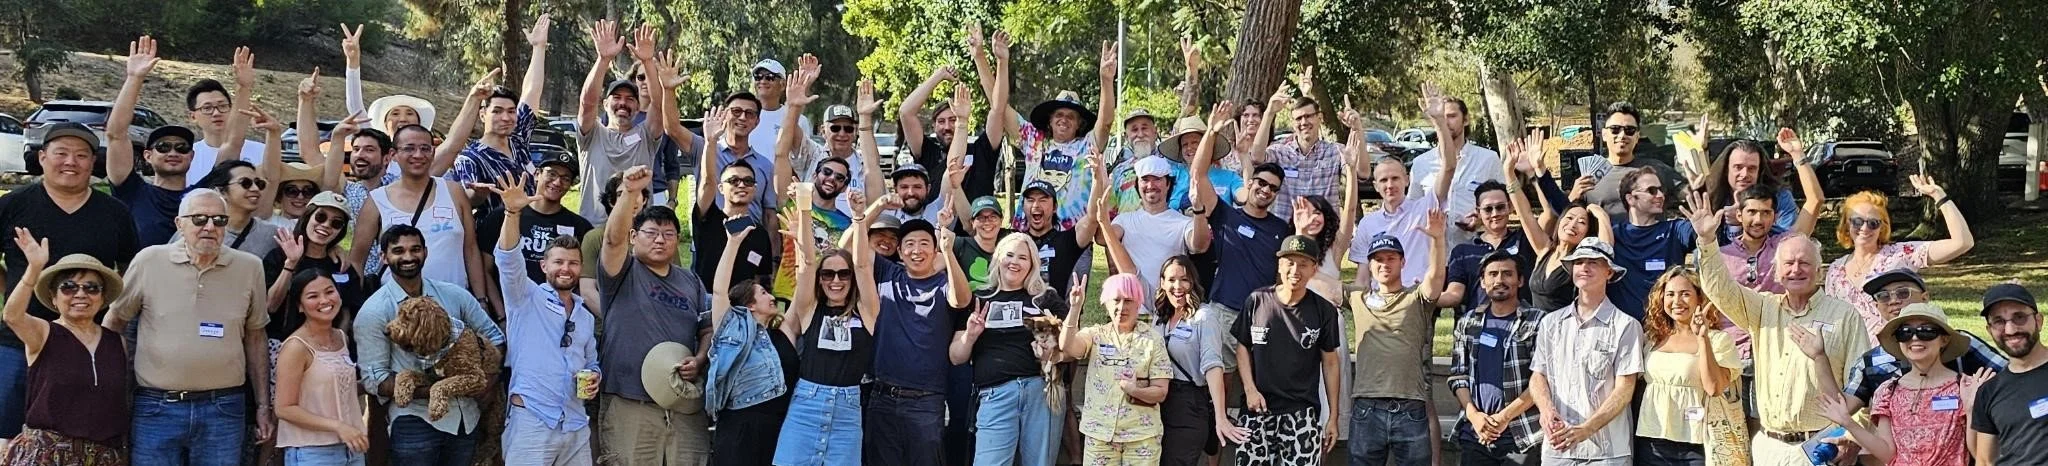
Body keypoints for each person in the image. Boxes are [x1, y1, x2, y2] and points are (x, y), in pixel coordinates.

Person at [1689, 199, 1871, 466]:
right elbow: (1721, 291)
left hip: (1822, 446)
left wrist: (1853, 439)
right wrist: (1706, 241)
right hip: (1769, 447)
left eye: (1804, 263)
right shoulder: (1763, 307)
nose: (1796, 269)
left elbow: (1862, 382)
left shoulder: (1845, 316)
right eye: (1788, 263)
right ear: (1776, 272)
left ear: (1819, 271)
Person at [104, 189, 273, 466]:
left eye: (219, 220)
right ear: (179, 224)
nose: (209, 227)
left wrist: (264, 407)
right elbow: (113, 325)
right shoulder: (149, 261)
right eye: (199, 219)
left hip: (224, 407)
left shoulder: (249, 268)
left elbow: (256, 337)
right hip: (156, 406)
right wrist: (112, 393)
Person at [0, 121, 140, 451]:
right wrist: (18, 288)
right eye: (61, 153)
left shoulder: (115, 213)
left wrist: (112, 319)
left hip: (89, 344)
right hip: (17, 340)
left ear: (94, 163)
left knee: (84, 436)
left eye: (81, 155)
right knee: (7, 439)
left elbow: (129, 269)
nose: (71, 162)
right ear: (42, 157)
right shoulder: (13, 205)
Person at [353, 223, 505, 464]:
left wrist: (486, 383)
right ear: (383, 257)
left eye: (415, 249)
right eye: (398, 251)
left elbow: (495, 338)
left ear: (425, 252)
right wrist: (433, 391)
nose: (408, 257)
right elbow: (375, 379)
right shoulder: (374, 312)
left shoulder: (454, 295)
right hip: (414, 422)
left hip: (466, 420)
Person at [595, 166, 712, 465]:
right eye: (651, 233)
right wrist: (630, 193)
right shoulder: (622, 272)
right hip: (630, 401)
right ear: (634, 236)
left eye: (668, 234)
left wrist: (699, 359)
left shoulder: (691, 281)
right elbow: (612, 241)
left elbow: (706, 329)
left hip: (684, 404)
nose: (660, 240)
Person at [488, 175, 599, 465]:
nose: (566, 269)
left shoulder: (584, 316)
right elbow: (508, 261)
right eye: (559, 262)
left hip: (575, 423)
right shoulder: (525, 297)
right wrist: (512, 214)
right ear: (543, 265)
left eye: (573, 263)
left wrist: (594, 376)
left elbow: (591, 363)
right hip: (533, 420)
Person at [771, 185, 883, 466]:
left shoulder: (867, 312)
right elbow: (808, 263)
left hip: (847, 410)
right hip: (806, 405)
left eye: (843, 274)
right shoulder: (809, 309)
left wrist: (859, 218)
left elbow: (862, 267)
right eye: (829, 274)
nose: (836, 280)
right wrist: (806, 210)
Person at [0, 232, 128, 465]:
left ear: (102, 297)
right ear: (54, 297)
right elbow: (12, 316)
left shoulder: (115, 341)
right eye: (68, 287)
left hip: (105, 456)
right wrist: (34, 269)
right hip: (47, 456)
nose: (80, 294)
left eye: (91, 288)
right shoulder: (43, 332)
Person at [951, 232, 1070, 466]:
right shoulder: (978, 299)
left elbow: (1074, 345)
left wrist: (1054, 352)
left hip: (1040, 392)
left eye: (1023, 258)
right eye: (1009, 255)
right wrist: (970, 336)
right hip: (995, 394)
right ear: (997, 258)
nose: (1015, 262)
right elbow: (956, 356)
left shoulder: (1046, 299)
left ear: (1032, 264)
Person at [862, 211, 972, 466]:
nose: (916, 250)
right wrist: (864, 215)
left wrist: (948, 250)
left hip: (926, 400)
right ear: (899, 252)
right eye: (909, 244)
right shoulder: (888, 274)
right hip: (882, 396)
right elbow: (850, 248)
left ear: (935, 252)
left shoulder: (944, 283)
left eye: (924, 243)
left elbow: (962, 299)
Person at [1526, 237, 1646, 464]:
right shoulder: (1551, 323)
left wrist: (1586, 429)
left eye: (1594, 262)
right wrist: (1545, 410)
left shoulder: (1626, 326)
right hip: (1557, 449)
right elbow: (1538, 375)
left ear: (1609, 272)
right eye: (1579, 262)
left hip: (1607, 453)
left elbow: (1625, 389)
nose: (1584, 267)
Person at [1817, 303, 1983, 466]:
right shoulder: (1887, 391)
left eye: (1926, 331)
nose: (1915, 338)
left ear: (1944, 339)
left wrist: (1972, 409)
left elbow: (1979, 454)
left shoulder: (1965, 387)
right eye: (1905, 332)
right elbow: (1888, 454)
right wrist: (1848, 422)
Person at [1226, 234, 1343, 465]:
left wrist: (1333, 417)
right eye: (1289, 262)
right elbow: (1242, 347)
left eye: (1303, 264)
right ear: (1280, 265)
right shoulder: (1257, 301)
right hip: (1257, 411)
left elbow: (1330, 363)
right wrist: (1249, 389)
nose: (1295, 270)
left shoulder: (1324, 311)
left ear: (1313, 269)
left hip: (1302, 413)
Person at [1347, 211, 1449, 466]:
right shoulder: (1356, 298)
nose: (1384, 264)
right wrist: (1303, 234)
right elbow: (1315, 281)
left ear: (1402, 262)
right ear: (1369, 265)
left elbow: (1436, 278)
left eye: (1391, 258)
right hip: (1366, 407)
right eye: (1378, 259)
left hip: (1410, 407)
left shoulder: (1417, 297)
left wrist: (1437, 240)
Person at [349, 123, 489, 303]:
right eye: (409, 148)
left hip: (454, 304)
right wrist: (354, 307)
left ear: (433, 152)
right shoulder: (377, 201)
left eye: (425, 148)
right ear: (393, 155)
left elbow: (470, 249)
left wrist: (481, 300)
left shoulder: (454, 192)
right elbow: (356, 260)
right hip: (399, 308)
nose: (418, 155)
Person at [1825, 175, 1974, 340]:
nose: (1865, 228)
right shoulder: (1835, 270)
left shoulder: (1901, 253)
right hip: (1852, 358)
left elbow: (1962, 242)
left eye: (1873, 223)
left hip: (1900, 350)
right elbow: (1831, 320)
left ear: (1882, 227)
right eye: (1857, 221)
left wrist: (1939, 197)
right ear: (1846, 224)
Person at [1838, 270, 2005, 416]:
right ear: (1876, 305)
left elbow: (2011, 377)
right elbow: (1842, 409)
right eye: (1883, 296)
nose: (1893, 301)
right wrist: (1819, 356)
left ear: (1925, 298)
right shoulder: (1870, 362)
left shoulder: (1962, 345)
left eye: (1903, 293)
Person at [992, 40, 1116, 233]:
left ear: (1079, 124)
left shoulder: (1087, 146)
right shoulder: (1034, 140)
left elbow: (1106, 123)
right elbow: (999, 106)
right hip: (1027, 235)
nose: (1064, 120)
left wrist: (1106, 81)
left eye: (1071, 116)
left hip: (1072, 241)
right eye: (1059, 114)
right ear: (1050, 120)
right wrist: (995, 61)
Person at [578, 21, 697, 220]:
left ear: (637, 106)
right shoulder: (592, 134)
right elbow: (587, 102)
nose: (623, 103)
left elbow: (659, 107)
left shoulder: (645, 135)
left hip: (639, 230)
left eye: (630, 99)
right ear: (605, 104)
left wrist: (649, 62)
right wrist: (603, 59)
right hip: (595, 228)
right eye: (617, 98)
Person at [704, 226, 798, 466]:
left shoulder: (783, 332)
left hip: (781, 428)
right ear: (750, 305)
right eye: (764, 292)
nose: (771, 296)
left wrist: (798, 244)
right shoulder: (731, 329)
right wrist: (733, 243)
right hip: (739, 428)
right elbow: (718, 291)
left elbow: (802, 291)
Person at [1188, 102, 1291, 314]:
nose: (1266, 190)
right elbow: (1198, 174)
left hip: (1262, 314)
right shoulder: (1225, 216)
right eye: (1261, 183)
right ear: (1250, 183)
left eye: (1273, 188)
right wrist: (1211, 132)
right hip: (1223, 311)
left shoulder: (1281, 229)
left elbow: (1284, 277)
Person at [1632, 268, 1742, 465]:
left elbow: (1714, 388)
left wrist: (1703, 339)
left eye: (1685, 294)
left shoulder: (1719, 341)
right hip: (1652, 441)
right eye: (1670, 294)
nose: (1677, 301)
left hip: (1698, 444)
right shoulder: (1652, 339)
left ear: (1699, 298)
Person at [1446, 252, 1547, 465]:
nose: (1499, 280)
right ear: (1483, 282)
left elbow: (1543, 379)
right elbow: (1458, 376)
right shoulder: (1468, 322)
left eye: (1507, 274)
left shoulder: (1538, 322)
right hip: (1476, 433)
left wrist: (1503, 418)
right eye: (1492, 274)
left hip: (1522, 435)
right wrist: (1474, 416)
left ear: (1520, 280)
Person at [1059, 273, 1171, 464]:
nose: (1121, 307)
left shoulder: (1153, 340)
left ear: (1138, 303)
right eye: (1116, 300)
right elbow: (1067, 346)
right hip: (1099, 434)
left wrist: (1134, 390)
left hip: (1141, 436)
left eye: (1128, 300)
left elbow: (1161, 392)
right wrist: (1075, 307)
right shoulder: (1096, 335)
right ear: (1106, 303)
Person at [445, 14, 551, 203]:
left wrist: (538, 48)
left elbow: (531, 91)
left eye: (511, 111)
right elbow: (463, 201)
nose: (506, 117)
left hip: (530, 228)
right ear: (483, 114)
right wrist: (477, 194)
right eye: (497, 111)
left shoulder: (518, 140)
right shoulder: (470, 158)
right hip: (495, 230)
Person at [272, 269, 369, 466]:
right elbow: (284, 408)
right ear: (300, 306)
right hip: (313, 453)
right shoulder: (295, 347)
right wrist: (338, 426)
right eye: (313, 296)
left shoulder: (341, 337)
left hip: (352, 447)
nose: (324, 300)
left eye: (329, 291)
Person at [104, 36, 192, 247]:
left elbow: (231, 145)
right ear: (147, 156)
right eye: (163, 147)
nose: (173, 152)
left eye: (181, 147)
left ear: (192, 155)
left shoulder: (202, 195)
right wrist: (134, 78)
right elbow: (116, 135)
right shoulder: (133, 191)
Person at [1407, 86, 1505, 246]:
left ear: (1465, 119)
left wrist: (1481, 218)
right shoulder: (1421, 163)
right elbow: (1413, 209)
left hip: (1474, 249)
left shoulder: (1487, 159)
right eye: (1440, 117)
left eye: (1452, 116)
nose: (1446, 122)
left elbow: (1507, 203)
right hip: (1433, 254)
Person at [1968, 284, 2048, 464]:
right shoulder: (1988, 391)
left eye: (2019, 317)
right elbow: (1985, 461)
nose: (2010, 330)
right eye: (1999, 321)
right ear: (1989, 331)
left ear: (2039, 321)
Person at [482, 154, 593, 284]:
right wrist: (494, 304)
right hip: (506, 301)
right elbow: (485, 269)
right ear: (537, 174)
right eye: (552, 174)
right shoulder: (504, 215)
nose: (557, 182)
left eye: (565, 178)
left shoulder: (579, 226)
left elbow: (582, 278)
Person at [1699, 131, 1822, 244]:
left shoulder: (1779, 197)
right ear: (1726, 170)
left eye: (1752, 168)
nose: (1745, 174)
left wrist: (1797, 154)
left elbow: (1789, 241)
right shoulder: (1712, 198)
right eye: (1738, 167)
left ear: (1760, 171)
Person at [1104, 156, 1202, 295]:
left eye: (1157, 179)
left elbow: (1198, 245)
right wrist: (1099, 187)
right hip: (1134, 309)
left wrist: (1198, 209)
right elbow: (1103, 238)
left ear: (1168, 184)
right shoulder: (1124, 221)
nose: (1150, 186)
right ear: (1137, 184)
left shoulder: (1184, 223)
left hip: (1171, 306)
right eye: (1145, 180)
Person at [1246, 83, 1343, 220]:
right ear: (1293, 124)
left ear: (1319, 118)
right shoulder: (1280, 151)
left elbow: (1363, 172)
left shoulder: (1335, 152)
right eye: (1298, 118)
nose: (1303, 122)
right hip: (1286, 233)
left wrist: (1357, 129)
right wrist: (1269, 113)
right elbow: (1256, 157)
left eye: (1308, 116)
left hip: (1323, 234)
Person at [1578, 102, 1683, 218]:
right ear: (1604, 134)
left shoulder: (1657, 169)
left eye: (1629, 130)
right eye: (1615, 129)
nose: (1622, 135)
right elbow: (1568, 219)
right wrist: (1572, 197)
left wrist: (1701, 153)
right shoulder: (1588, 177)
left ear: (1637, 136)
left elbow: (1695, 194)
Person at [182, 48, 268, 185]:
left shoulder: (262, 151)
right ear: (193, 116)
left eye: (222, 106)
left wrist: (244, 88)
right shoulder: (186, 157)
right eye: (207, 108)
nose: (216, 113)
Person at [183, 159, 285, 261]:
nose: (255, 189)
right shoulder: (197, 231)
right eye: (245, 183)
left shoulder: (272, 235)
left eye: (259, 183)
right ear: (221, 191)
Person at [748, 58, 815, 154]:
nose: (763, 81)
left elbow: (803, 157)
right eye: (758, 77)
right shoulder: (744, 116)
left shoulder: (798, 120)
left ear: (783, 85)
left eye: (769, 77)